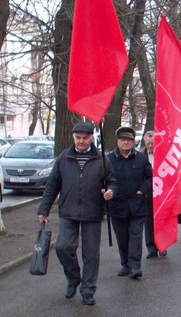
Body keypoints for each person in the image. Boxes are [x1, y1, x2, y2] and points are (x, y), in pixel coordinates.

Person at [37, 121, 117, 306]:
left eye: (85, 138)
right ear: (73, 138)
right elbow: (52, 185)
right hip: (68, 211)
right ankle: (73, 278)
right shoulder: (64, 158)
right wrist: (43, 209)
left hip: (93, 211)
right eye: (78, 138)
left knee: (91, 254)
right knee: (63, 247)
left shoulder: (102, 159)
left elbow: (113, 182)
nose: (81, 141)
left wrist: (111, 191)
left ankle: (88, 290)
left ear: (91, 138)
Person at [107, 126, 153, 279]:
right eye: (122, 140)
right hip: (117, 205)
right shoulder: (109, 160)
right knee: (122, 237)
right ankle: (125, 264)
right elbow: (102, 180)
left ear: (133, 142)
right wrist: (105, 191)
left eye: (129, 140)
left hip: (137, 205)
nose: (125, 143)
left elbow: (150, 178)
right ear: (117, 141)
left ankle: (135, 266)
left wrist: (142, 190)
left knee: (136, 236)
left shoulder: (141, 159)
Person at [142, 131, 167, 258]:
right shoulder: (141, 156)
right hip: (147, 194)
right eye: (148, 144)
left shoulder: (164, 155)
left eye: (152, 143)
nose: (150, 146)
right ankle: (151, 247)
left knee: (161, 220)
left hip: (162, 193)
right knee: (149, 221)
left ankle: (162, 245)